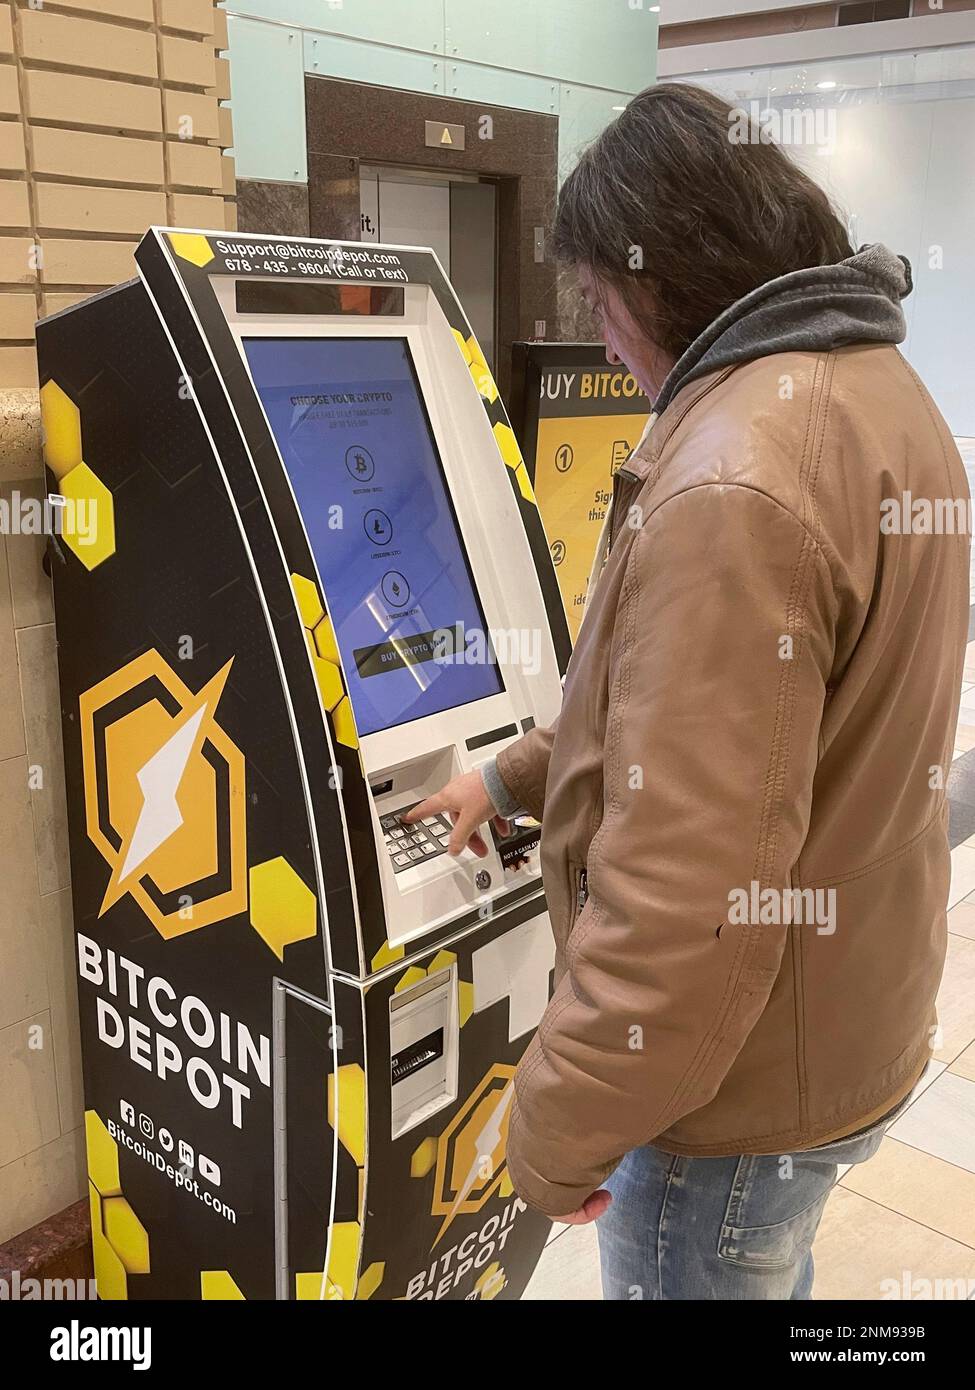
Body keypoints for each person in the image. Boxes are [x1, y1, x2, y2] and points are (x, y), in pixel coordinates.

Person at [403, 82, 970, 1299]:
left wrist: (553, 1128)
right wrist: (508, 771)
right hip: (841, 1027)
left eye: (603, 301)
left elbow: (687, 903)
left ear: (668, 275)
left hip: (733, 1094)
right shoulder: (879, 391)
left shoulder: (735, 479)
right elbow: (745, 732)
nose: (602, 339)